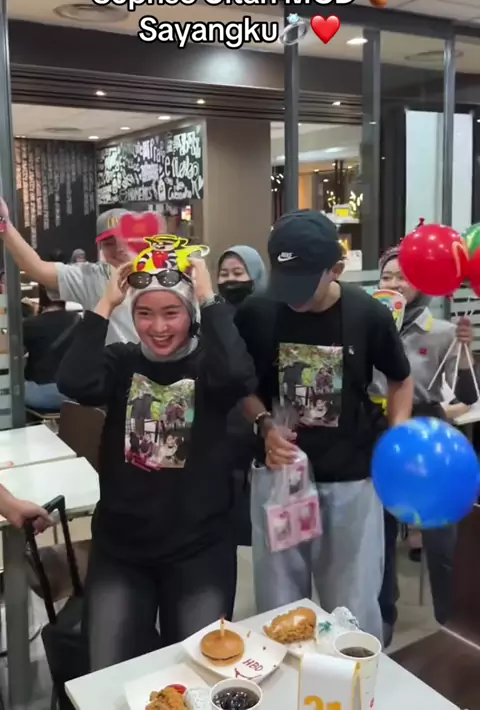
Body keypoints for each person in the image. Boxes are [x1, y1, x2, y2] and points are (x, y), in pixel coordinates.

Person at [56, 257, 256, 670]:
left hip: (199, 550)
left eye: (171, 313)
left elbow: (239, 375)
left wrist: (208, 297)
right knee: (109, 675)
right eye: (144, 313)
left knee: (200, 673)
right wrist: (105, 304)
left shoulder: (210, 369)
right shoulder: (122, 362)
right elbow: (74, 381)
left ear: (191, 314)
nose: (158, 327)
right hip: (122, 550)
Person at [235, 210, 413, 641]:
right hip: (280, 476)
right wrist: (263, 424)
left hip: (351, 477)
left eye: (303, 283)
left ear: (335, 269)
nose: (291, 297)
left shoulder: (367, 314)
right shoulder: (257, 312)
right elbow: (240, 386)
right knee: (279, 602)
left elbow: (400, 380)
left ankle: (355, 673)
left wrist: (397, 438)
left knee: (352, 601)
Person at [372, 246, 477, 645]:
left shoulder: (443, 331)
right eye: (387, 276)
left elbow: (467, 395)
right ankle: (382, 620)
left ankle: (454, 627)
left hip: (429, 443)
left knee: (443, 543)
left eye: (403, 276)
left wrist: (465, 352)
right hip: (379, 437)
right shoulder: (370, 324)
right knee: (379, 539)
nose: (394, 283)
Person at [0, 200, 134, 343]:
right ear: (100, 247)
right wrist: (4, 224)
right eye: (109, 243)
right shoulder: (91, 278)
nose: (120, 249)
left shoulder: (153, 274)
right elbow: (37, 268)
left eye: (127, 239)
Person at [217, 245, 268, 546]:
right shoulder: (214, 315)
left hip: (264, 417)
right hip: (225, 420)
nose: (230, 280)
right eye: (224, 274)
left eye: (238, 272)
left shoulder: (270, 315)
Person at [23, 286, 78, 412]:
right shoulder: (79, 320)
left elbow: (12, 351)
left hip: (42, 395)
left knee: (10, 391)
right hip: (75, 395)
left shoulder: (31, 324)